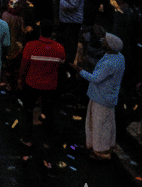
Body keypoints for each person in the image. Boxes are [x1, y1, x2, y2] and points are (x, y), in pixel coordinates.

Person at [76, 32, 126, 160]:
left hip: (101, 98)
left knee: (99, 125)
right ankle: (100, 147)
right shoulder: (119, 57)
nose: (103, 41)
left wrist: (80, 71)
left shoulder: (110, 63)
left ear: (110, 46)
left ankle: (101, 152)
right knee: (105, 124)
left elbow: (96, 78)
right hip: (105, 97)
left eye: (105, 40)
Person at [18, 19, 66, 127]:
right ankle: (47, 130)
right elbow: (61, 68)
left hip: (32, 85)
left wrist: (20, 80)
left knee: (28, 109)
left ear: (40, 31)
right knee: (48, 110)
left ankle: (27, 133)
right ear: (52, 32)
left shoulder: (30, 46)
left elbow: (24, 66)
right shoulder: (59, 48)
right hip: (50, 87)